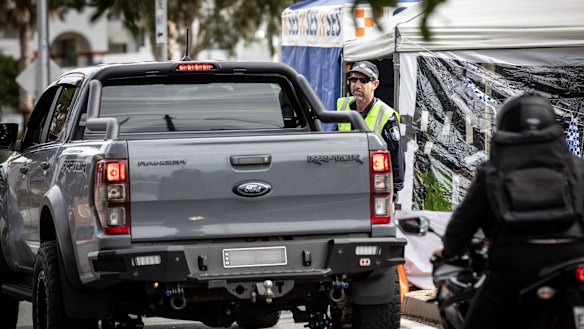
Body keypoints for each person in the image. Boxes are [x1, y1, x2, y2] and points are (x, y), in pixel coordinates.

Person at [432, 93, 584, 329]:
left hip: (515, 265)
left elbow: (463, 222)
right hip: (574, 260)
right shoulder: (577, 167)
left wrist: (450, 252)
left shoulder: (492, 170)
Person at [336, 61, 406, 207]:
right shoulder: (342, 106)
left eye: (364, 80)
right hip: (345, 186)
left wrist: (392, 196)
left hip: (372, 189)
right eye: (354, 80)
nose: (357, 85)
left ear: (375, 84)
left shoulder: (386, 115)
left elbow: (397, 158)